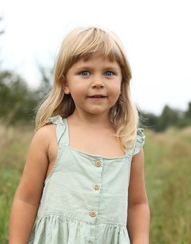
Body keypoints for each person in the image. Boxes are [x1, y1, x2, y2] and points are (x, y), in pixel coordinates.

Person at [9, 26, 150, 244]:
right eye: (85, 72)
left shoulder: (128, 142)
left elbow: (137, 204)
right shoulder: (49, 137)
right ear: (65, 83)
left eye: (109, 73)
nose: (98, 82)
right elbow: (26, 200)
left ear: (122, 83)